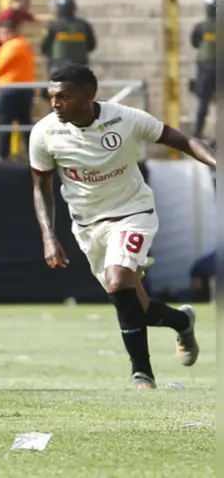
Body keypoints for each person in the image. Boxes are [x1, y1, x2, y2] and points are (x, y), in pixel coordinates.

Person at [29, 64, 216, 390]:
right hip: (87, 225)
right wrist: (49, 235)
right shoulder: (44, 133)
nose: (55, 104)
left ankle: (141, 375)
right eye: (51, 97)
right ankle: (181, 321)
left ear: (89, 96)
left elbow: (183, 140)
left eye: (63, 97)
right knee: (133, 305)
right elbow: (40, 187)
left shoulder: (126, 118)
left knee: (118, 281)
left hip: (133, 213)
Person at [0, 20, 36, 160]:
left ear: (9, 32)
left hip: (9, 90)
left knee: (5, 124)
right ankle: (32, 154)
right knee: (25, 123)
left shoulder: (11, 46)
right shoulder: (24, 44)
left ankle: (3, 155)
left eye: (1, 33)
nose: (0, 36)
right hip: (25, 89)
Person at [41, 0, 96, 75]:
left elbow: (45, 47)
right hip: (80, 66)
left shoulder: (53, 25)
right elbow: (91, 45)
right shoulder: (84, 25)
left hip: (58, 66)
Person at [189, 0, 215, 140]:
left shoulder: (201, 27)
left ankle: (198, 132)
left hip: (205, 70)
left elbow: (195, 42)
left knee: (203, 102)